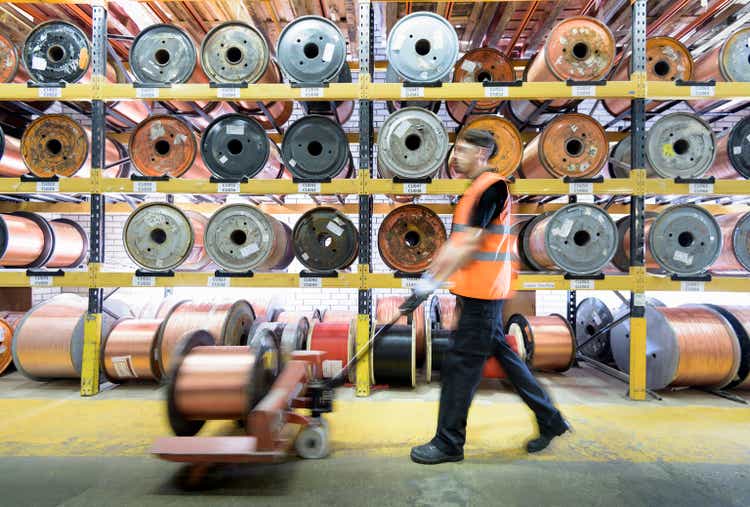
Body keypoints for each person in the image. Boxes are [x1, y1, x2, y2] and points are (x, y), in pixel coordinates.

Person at [403, 129, 570, 465]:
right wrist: (428, 279)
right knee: (506, 358)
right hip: (476, 292)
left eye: (462, 151)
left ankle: (449, 443)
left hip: (483, 294)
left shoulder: (491, 187)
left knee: (460, 368)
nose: (455, 157)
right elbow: (456, 242)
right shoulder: (473, 190)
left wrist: (428, 285)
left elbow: (468, 244)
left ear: (481, 153)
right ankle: (550, 419)